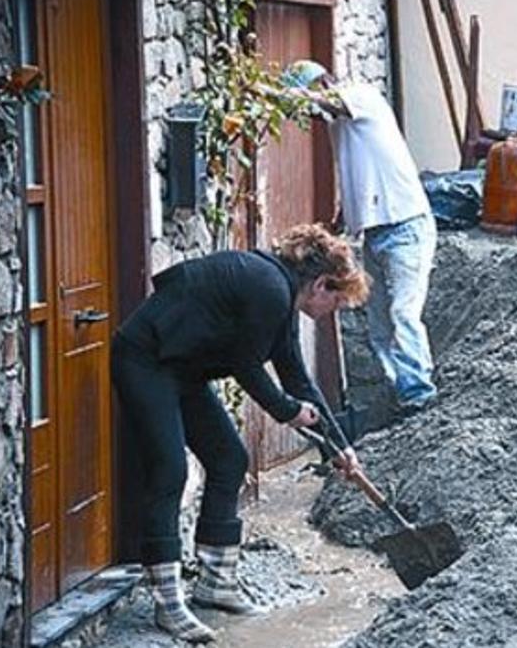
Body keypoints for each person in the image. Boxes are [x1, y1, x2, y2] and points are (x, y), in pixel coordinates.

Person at [112, 224, 368, 641]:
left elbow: (297, 378)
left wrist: (340, 448)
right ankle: (168, 603)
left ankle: (216, 583)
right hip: (146, 360)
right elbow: (246, 366)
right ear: (321, 284)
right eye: (336, 302)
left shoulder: (280, 295)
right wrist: (287, 412)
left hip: (182, 369)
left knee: (229, 459)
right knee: (169, 471)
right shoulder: (268, 288)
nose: (330, 313)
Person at [282, 60, 439, 418]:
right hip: (377, 232)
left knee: (403, 312)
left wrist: (282, 94)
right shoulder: (339, 125)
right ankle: (397, 396)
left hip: (407, 226)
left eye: (312, 95)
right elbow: (359, 167)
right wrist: (345, 216)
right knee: (380, 325)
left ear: (323, 82)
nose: (310, 108)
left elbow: (333, 102)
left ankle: (420, 395)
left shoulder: (360, 96)